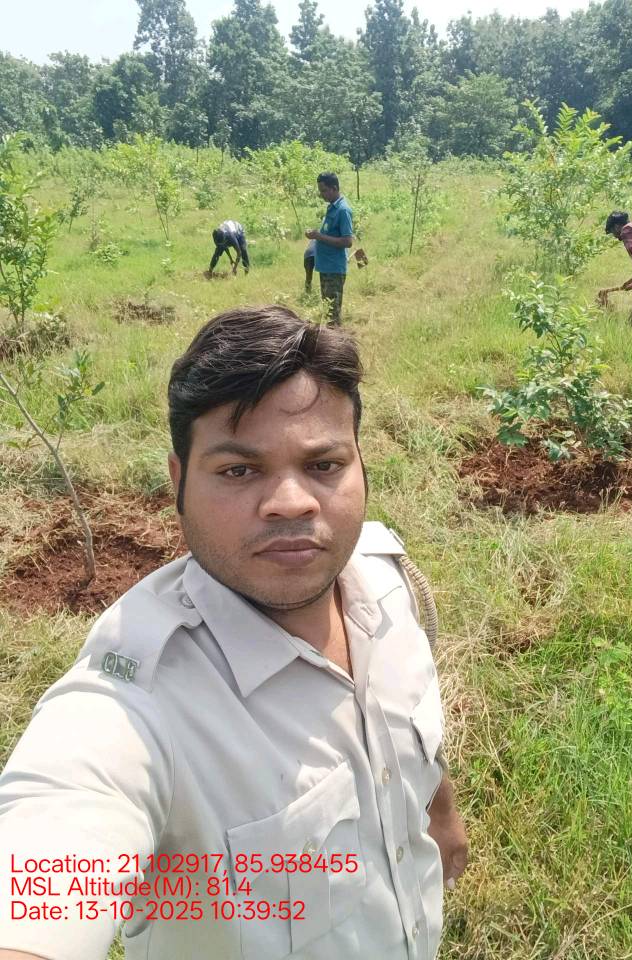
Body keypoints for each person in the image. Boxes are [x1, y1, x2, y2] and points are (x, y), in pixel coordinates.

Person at [0, 306, 468, 960]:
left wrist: (439, 813)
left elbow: (409, 733)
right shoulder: (132, 710)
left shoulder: (388, 582)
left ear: (361, 463)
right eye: (239, 471)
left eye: (324, 464)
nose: (291, 501)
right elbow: (47, 867)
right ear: (179, 483)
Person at [305, 173, 353, 325]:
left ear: (334, 188)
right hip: (325, 267)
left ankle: (337, 339)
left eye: (324, 190)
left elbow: (348, 241)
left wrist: (318, 236)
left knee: (333, 316)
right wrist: (316, 235)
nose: (322, 194)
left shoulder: (343, 210)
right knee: (328, 310)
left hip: (334, 268)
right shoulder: (331, 207)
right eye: (320, 191)